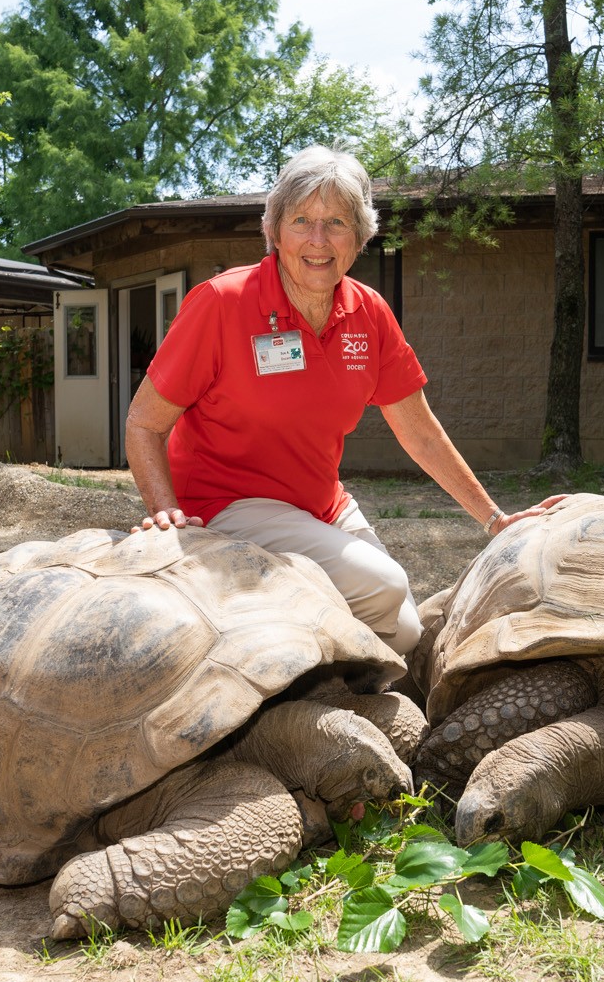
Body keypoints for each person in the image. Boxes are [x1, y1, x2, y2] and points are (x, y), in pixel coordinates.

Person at [126, 146, 562, 655]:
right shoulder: (223, 302)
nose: (317, 240)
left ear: (359, 237)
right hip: (227, 505)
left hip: (321, 506)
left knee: (404, 633)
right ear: (274, 230)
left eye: (336, 222)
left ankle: (313, 660)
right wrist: (165, 512)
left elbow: (419, 432)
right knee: (383, 585)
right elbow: (144, 422)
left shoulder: (368, 312)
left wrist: (495, 520)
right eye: (301, 221)